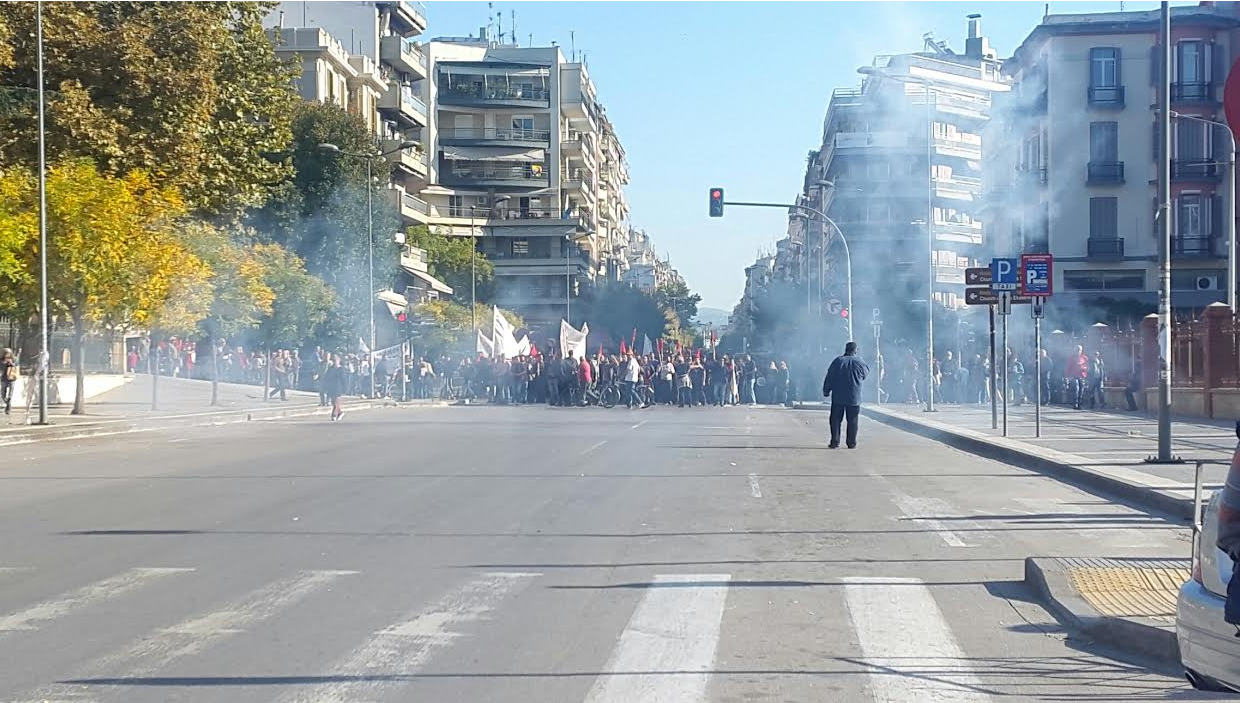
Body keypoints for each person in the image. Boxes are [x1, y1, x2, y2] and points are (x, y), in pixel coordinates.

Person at [823, 341, 870, 449]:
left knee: (835, 420)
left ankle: (835, 442)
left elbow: (829, 377)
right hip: (854, 397)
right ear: (856, 350)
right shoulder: (861, 363)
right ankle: (851, 443)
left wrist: (826, 390)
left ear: (845, 349)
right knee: (853, 420)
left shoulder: (838, 361)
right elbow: (864, 375)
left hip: (838, 396)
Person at [322, 354, 346, 421]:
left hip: (338, 388)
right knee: (333, 402)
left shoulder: (341, 369)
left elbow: (343, 380)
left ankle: (334, 415)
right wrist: (325, 386)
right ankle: (340, 412)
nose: (334, 362)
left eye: (335, 360)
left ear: (339, 361)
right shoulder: (330, 369)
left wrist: (345, 388)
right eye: (333, 360)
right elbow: (327, 378)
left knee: (336, 401)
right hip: (331, 387)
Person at [1065, 344, 1089, 410]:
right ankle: (1075, 404)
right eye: (1077, 349)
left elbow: (1087, 366)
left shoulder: (1084, 358)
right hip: (1074, 376)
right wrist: (1067, 376)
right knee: (1076, 389)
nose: (1078, 351)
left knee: (1081, 390)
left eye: (1079, 349)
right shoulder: (1071, 358)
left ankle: (1079, 404)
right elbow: (1068, 367)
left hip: (1082, 375)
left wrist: (1085, 368)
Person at [1, 348, 16, 416]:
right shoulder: (1, 360)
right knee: (3, 394)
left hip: (12, 378)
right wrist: (4, 363)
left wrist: (11, 363)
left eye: (8, 353)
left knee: (10, 395)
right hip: (4, 379)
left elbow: (16, 366)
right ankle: (7, 403)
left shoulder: (13, 359)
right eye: (5, 353)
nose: (7, 354)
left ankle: (8, 409)